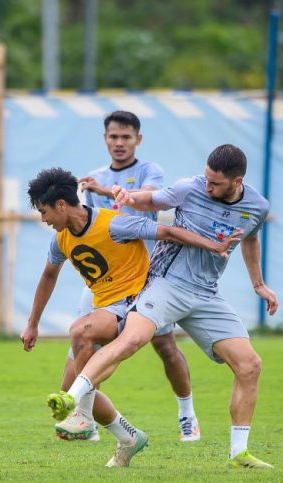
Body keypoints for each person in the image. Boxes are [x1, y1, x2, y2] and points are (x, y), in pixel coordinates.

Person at [47, 144, 279, 469]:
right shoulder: (190, 187)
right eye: (206, 178)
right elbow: (154, 199)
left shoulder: (257, 205)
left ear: (237, 181)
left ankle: (239, 452)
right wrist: (130, 199)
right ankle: (75, 402)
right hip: (166, 282)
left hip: (206, 293)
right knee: (131, 340)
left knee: (249, 365)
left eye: (215, 183)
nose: (207, 186)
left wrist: (258, 284)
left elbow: (251, 238)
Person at [20, 167, 241, 467]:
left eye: (44, 211)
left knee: (80, 333)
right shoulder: (60, 240)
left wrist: (213, 245)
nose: (43, 219)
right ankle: (129, 437)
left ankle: (84, 419)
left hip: (132, 304)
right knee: (72, 389)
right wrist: (32, 323)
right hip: (103, 306)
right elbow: (48, 276)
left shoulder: (114, 224)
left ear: (61, 205)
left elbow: (166, 231)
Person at [63, 110, 200, 443]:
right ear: (105, 139)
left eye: (126, 137)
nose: (119, 143)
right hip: (106, 279)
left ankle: (187, 414)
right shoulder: (93, 180)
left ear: (138, 139)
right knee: (81, 341)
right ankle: (83, 418)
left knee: (165, 347)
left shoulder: (148, 171)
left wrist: (106, 190)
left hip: (146, 276)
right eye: (113, 136)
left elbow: (145, 202)